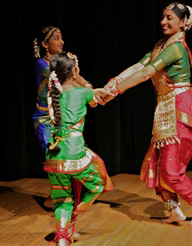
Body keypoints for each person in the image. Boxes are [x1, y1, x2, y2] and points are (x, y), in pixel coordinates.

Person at [104, 2, 192, 224]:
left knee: (172, 171)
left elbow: (146, 74)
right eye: (163, 17)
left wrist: (114, 91)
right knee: (159, 164)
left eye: (170, 18)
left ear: (183, 23)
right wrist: (111, 86)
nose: (163, 21)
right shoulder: (161, 45)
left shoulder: (176, 48)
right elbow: (138, 67)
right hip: (165, 109)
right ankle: (173, 210)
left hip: (179, 108)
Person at [44, 51, 113, 245]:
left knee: (61, 199)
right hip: (75, 153)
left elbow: (82, 91)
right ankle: (74, 215)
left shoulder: (53, 94)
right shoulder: (83, 92)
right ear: (74, 71)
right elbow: (93, 100)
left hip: (54, 155)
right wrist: (90, 87)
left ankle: (63, 236)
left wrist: (79, 80)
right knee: (98, 183)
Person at [33, 26, 105, 209]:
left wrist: (87, 87)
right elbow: (66, 78)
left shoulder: (62, 63)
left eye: (61, 38)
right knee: (55, 155)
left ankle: (67, 197)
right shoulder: (42, 65)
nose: (61, 42)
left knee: (73, 154)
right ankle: (58, 197)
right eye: (56, 38)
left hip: (62, 114)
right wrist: (87, 91)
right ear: (44, 44)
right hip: (45, 118)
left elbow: (74, 77)